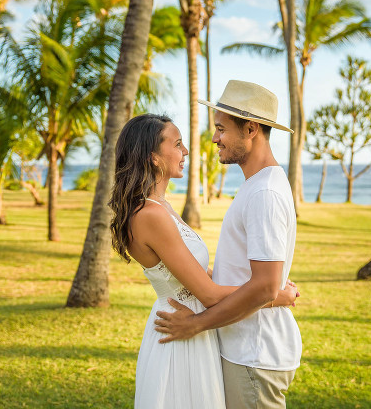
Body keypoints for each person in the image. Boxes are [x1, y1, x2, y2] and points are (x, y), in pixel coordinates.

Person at [109, 113, 298, 409]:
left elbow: (195, 274)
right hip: (181, 328)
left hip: (195, 328)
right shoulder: (150, 215)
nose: (186, 151)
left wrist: (268, 287)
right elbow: (207, 292)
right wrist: (275, 295)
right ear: (153, 157)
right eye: (178, 144)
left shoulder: (161, 206)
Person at [154, 80, 303, 409]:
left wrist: (194, 325)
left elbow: (265, 287)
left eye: (221, 129)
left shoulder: (264, 191)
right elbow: (254, 274)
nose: (214, 138)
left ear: (250, 129)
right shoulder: (258, 185)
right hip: (245, 349)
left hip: (254, 353)